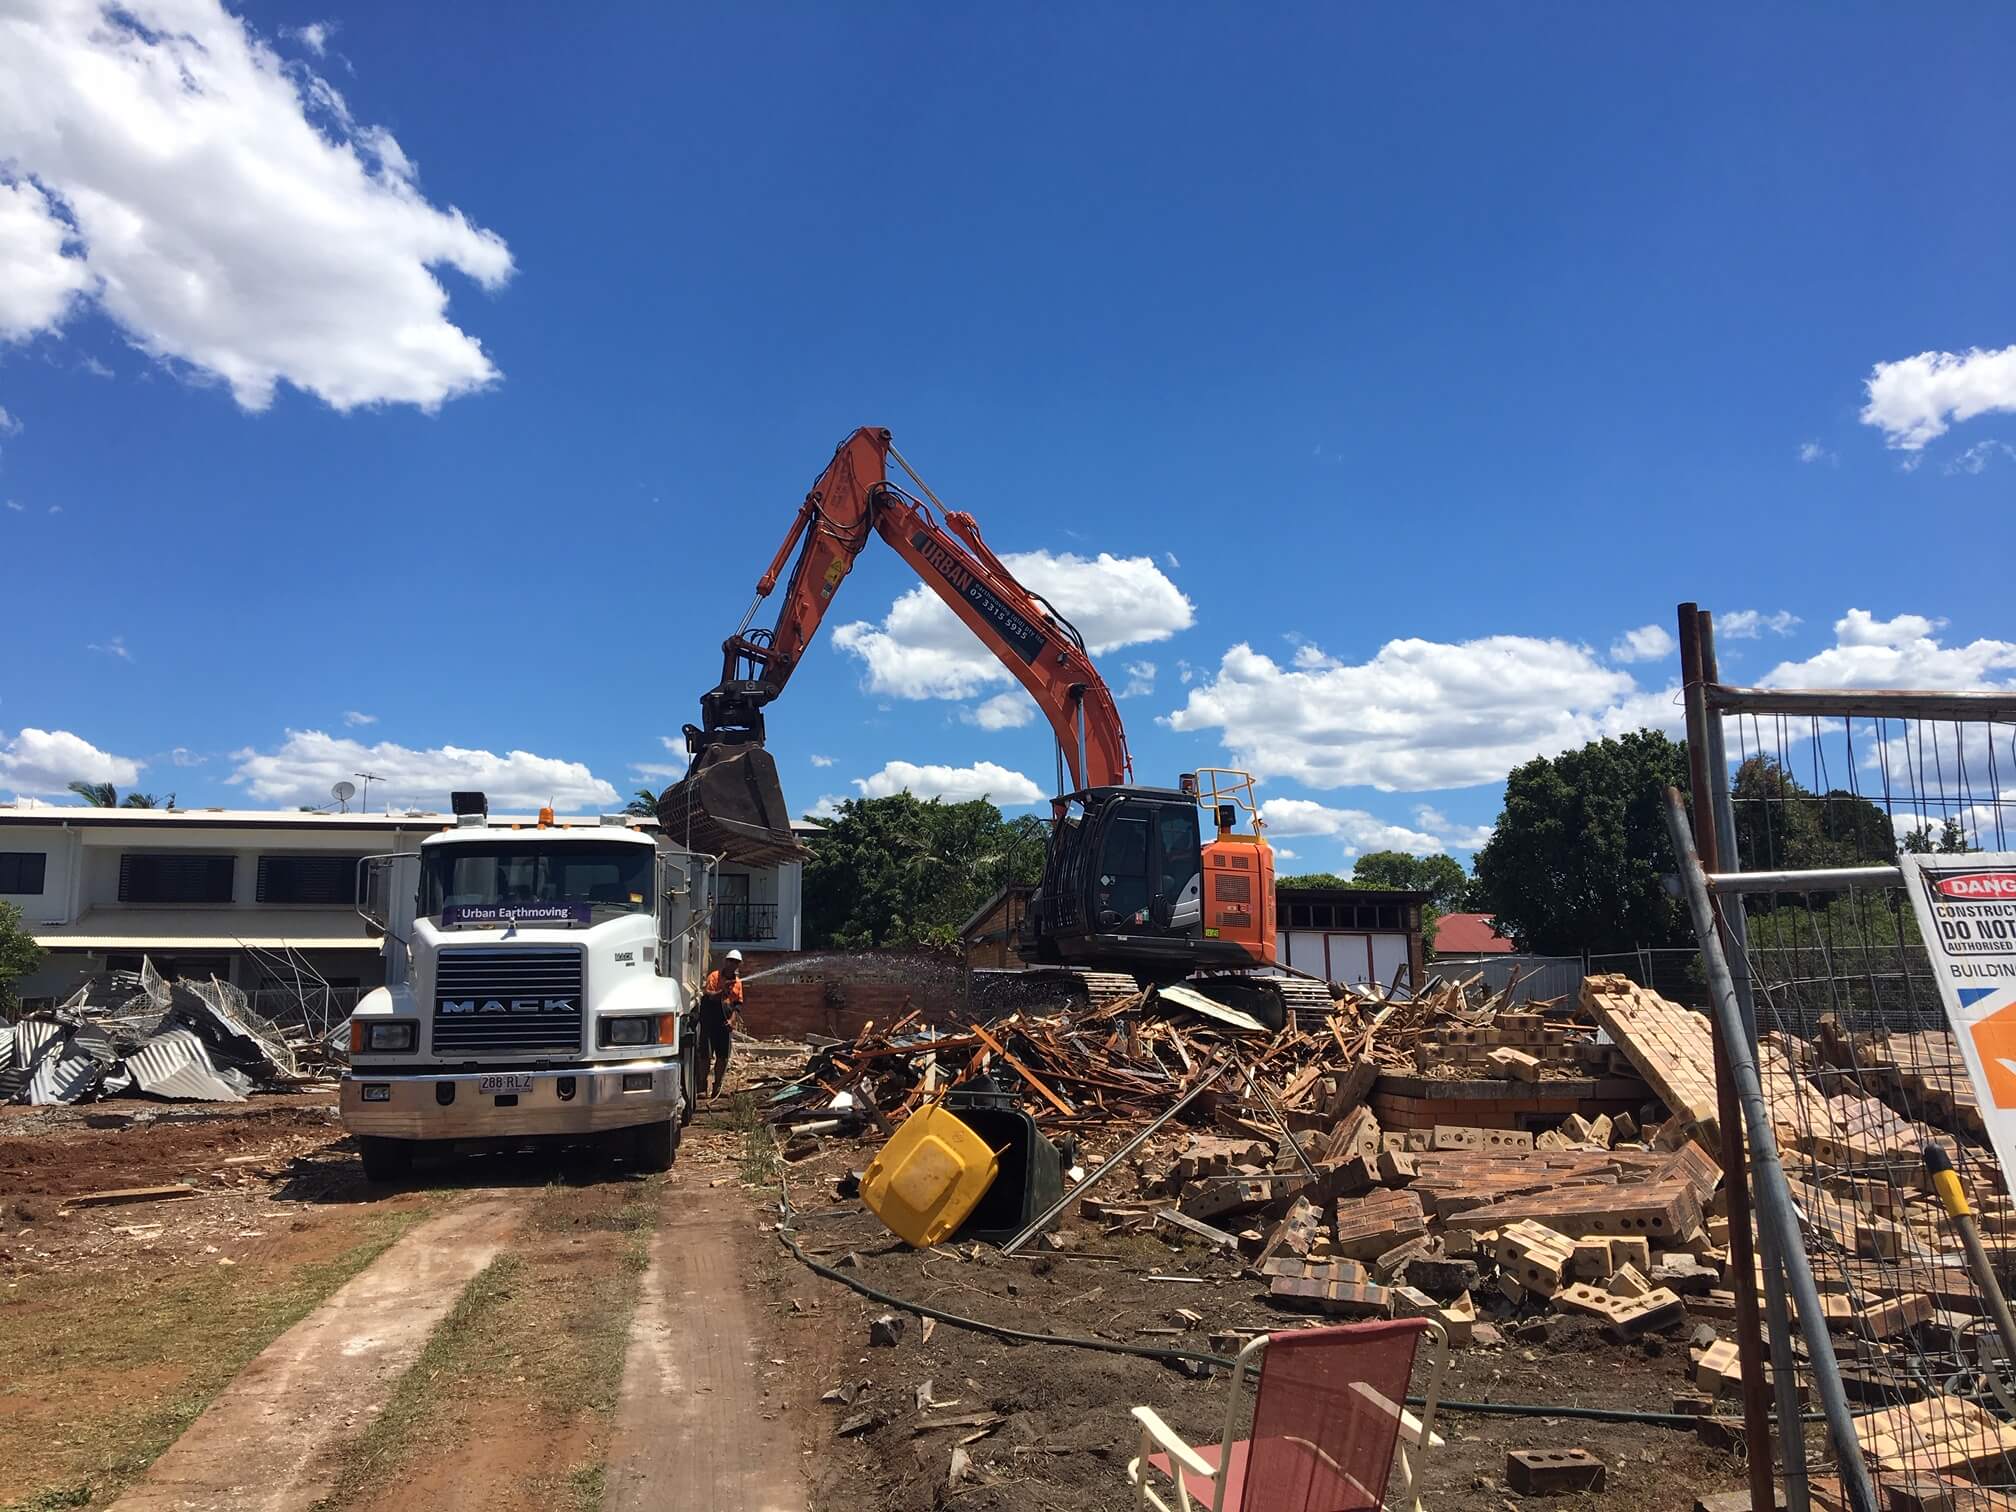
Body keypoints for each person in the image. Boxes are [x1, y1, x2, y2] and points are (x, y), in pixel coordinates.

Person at [696, 948, 745, 1100]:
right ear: (726, 962)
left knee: (722, 1058)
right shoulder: (714, 977)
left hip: (725, 1023)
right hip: (710, 1022)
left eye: (736, 963)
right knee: (705, 1057)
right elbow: (708, 995)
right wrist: (722, 991)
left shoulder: (738, 983)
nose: (732, 965)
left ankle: (717, 1087)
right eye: (730, 961)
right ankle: (702, 1088)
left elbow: (737, 1005)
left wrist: (732, 1021)